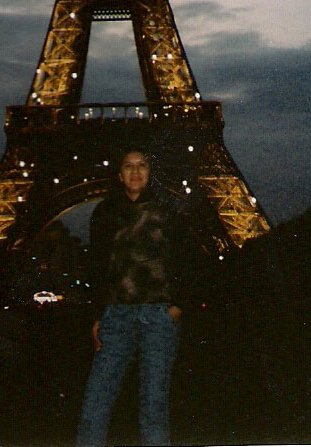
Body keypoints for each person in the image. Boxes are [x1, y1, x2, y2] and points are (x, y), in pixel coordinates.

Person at [76, 145, 192, 447]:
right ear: (119, 174)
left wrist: (178, 306)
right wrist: (97, 316)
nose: (136, 171)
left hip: (159, 315)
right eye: (129, 166)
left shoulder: (170, 210)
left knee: (154, 405)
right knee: (95, 402)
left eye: (142, 165)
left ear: (151, 172)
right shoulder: (104, 213)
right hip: (117, 314)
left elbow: (189, 260)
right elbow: (98, 266)